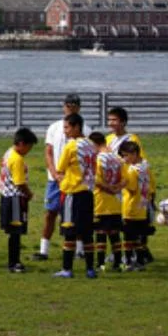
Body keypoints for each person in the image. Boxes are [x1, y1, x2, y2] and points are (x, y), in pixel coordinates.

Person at [33, 94, 80, 261]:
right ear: (63, 106)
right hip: (55, 179)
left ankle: (78, 250)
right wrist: (54, 172)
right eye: (68, 104)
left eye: (74, 104)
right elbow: (48, 151)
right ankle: (44, 249)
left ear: (79, 107)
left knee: (76, 214)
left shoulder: (86, 129)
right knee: (50, 213)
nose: (70, 107)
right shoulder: (54, 127)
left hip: (75, 180)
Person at [106, 106, 154, 261]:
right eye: (109, 119)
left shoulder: (132, 139)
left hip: (129, 185)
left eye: (115, 120)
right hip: (115, 186)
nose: (111, 123)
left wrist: (149, 189)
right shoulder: (108, 140)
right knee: (116, 221)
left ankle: (137, 252)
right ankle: (120, 251)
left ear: (123, 122)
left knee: (133, 223)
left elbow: (141, 163)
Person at [53, 113, 98, 278]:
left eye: (67, 127)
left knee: (69, 231)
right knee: (87, 233)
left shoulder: (71, 146)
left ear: (76, 127)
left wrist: (61, 179)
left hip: (73, 192)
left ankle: (67, 268)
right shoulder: (91, 145)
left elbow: (60, 169)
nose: (65, 131)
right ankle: (90, 269)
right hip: (88, 192)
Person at [0, 127, 37, 273]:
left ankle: (14, 261)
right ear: (21, 143)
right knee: (15, 232)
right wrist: (29, 194)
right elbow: (19, 183)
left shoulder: (9, 153)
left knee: (13, 232)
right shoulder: (17, 159)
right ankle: (13, 263)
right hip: (14, 198)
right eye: (29, 146)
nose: (29, 150)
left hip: (6, 195)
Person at [89, 131, 124, 271]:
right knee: (115, 234)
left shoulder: (98, 159)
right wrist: (116, 189)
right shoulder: (117, 158)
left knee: (101, 233)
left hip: (101, 201)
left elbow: (97, 180)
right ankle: (117, 263)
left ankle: (100, 263)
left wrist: (109, 189)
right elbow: (124, 178)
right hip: (116, 202)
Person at [119, 140, 154, 270]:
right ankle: (140, 262)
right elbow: (150, 187)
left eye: (125, 155)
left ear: (134, 154)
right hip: (142, 207)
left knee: (128, 238)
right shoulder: (145, 168)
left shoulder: (132, 171)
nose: (124, 159)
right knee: (138, 238)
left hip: (131, 207)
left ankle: (128, 262)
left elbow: (132, 188)